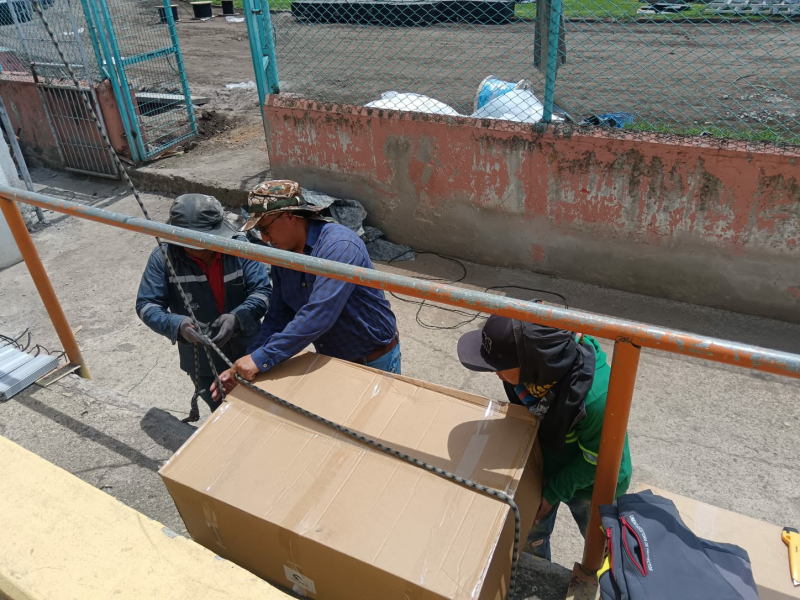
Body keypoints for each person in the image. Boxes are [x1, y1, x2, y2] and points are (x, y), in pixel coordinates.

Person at [456, 315, 631, 560]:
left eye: (499, 366)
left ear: (532, 362)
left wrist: (553, 493)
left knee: (605, 548)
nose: (496, 374)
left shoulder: (596, 399)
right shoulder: (530, 376)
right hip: (546, 467)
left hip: (591, 483)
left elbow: (596, 461)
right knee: (531, 534)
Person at [211, 180, 399, 400]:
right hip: (331, 359)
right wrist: (250, 359)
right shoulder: (285, 255)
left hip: (372, 359)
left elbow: (319, 315)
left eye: (265, 228)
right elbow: (279, 315)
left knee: (373, 425)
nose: (264, 238)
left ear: (290, 216)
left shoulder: (339, 246)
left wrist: (261, 358)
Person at [136, 193, 271, 419]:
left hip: (250, 352)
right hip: (203, 363)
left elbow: (263, 291)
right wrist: (178, 325)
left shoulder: (239, 249)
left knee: (262, 411)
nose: (197, 247)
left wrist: (237, 318)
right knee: (225, 414)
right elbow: (146, 304)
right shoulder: (163, 258)